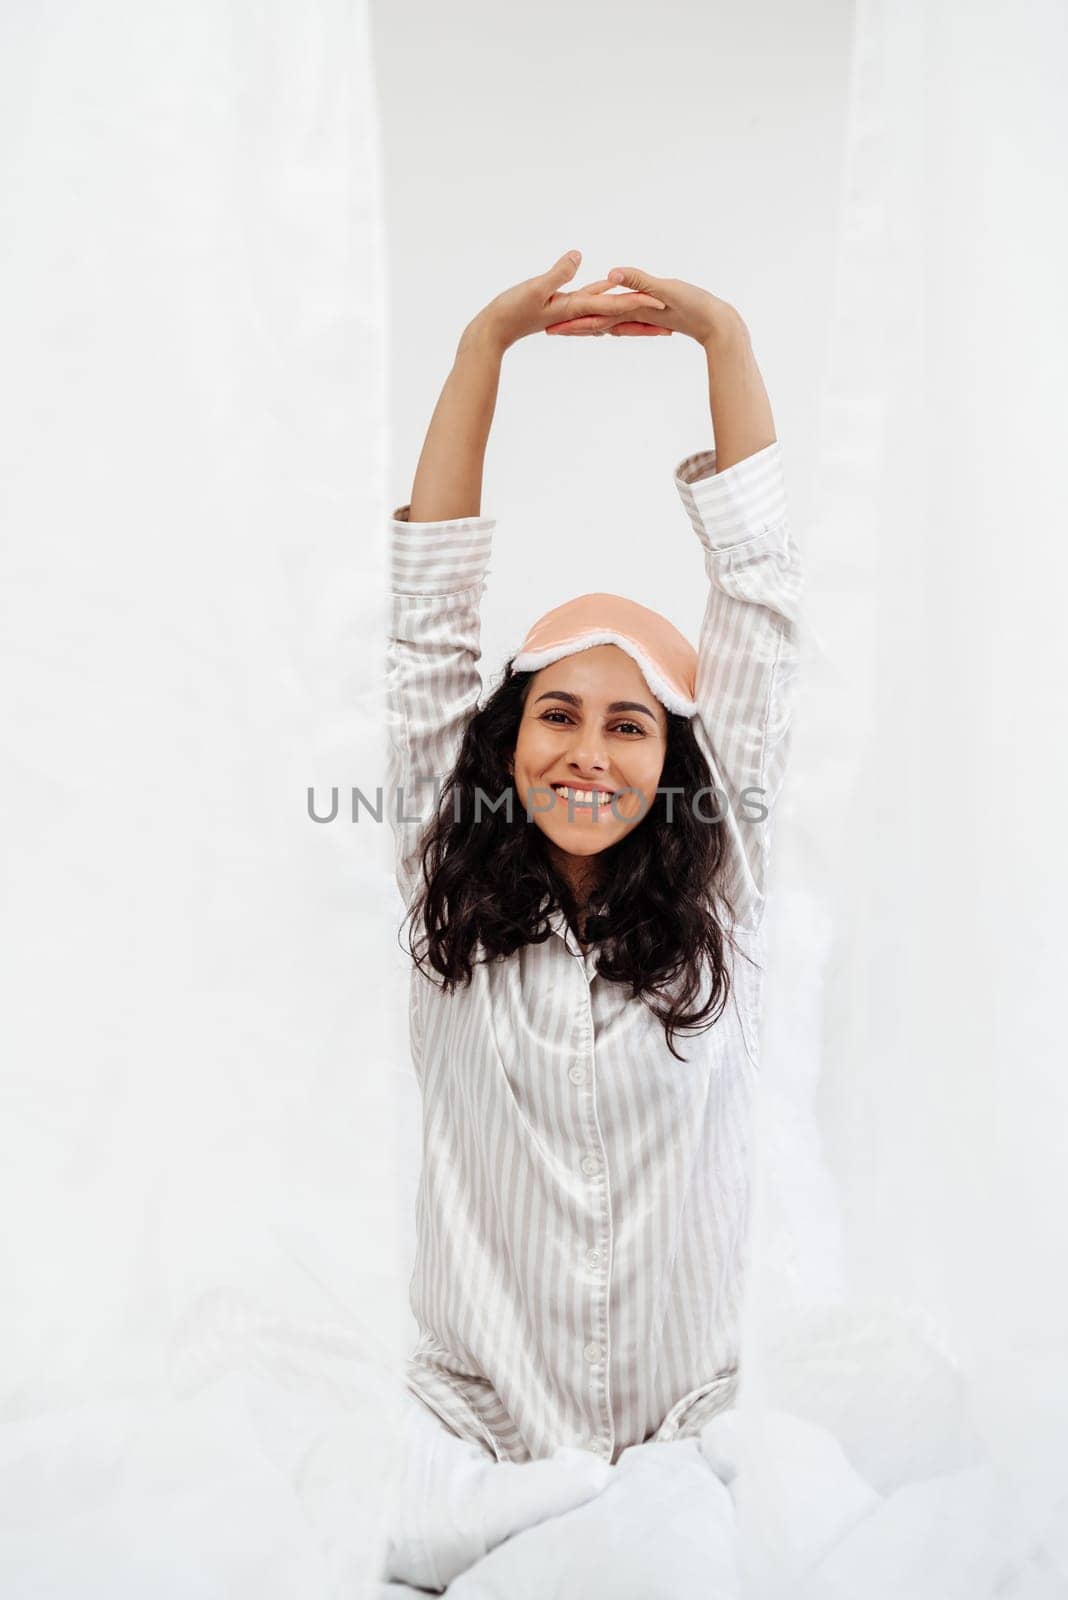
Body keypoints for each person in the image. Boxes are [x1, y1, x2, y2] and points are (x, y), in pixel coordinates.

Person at [379, 249, 804, 1589]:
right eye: (558, 713)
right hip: (475, 1431)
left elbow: (764, 608)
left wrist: (724, 341)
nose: (590, 752)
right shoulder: (442, 877)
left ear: (674, 766)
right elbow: (426, 630)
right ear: (509, 740)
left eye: (630, 726)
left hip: (696, 1431)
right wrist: (482, 351)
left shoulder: (728, 890)